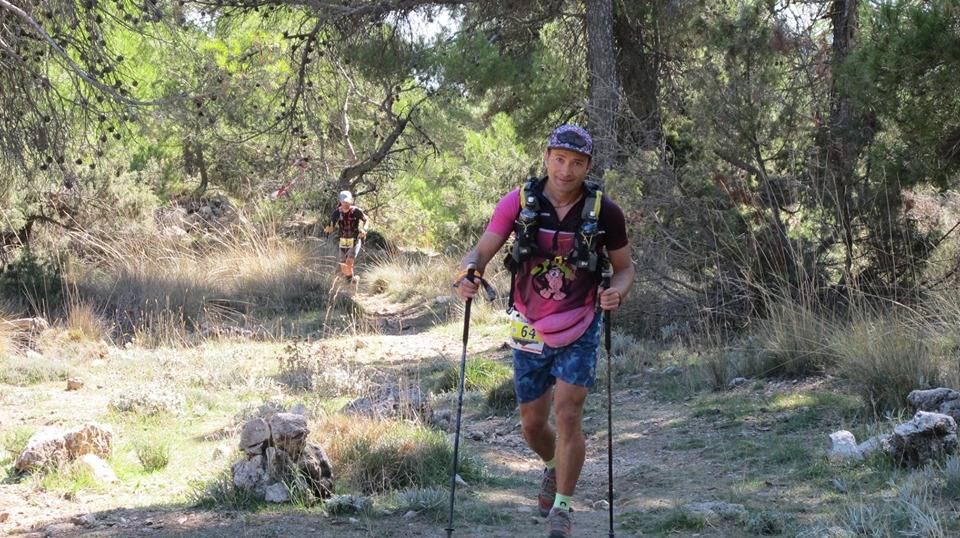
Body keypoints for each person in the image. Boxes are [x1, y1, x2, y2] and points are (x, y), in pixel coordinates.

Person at [454, 125, 634, 538]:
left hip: (582, 323)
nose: (566, 170)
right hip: (529, 324)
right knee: (532, 425)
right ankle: (553, 467)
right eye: (559, 159)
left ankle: (563, 509)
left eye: (576, 163)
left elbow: (624, 269)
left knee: (568, 413)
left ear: (588, 166)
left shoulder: (606, 212)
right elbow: (483, 249)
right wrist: (469, 274)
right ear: (546, 157)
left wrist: (616, 294)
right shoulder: (518, 202)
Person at [324, 190, 368, 282]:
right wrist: (328, 229)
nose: (345, 203)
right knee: (343, 265)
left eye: (347, 201)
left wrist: (364, 229)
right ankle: (353, 280)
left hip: (355, 240)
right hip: (343, 241)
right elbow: (331, 226)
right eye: (343, 201)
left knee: (349, 262)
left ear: (351, 201)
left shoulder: (356, 211)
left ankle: (350, 284)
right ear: (340, 201)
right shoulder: (337, 213)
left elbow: (366, 220)